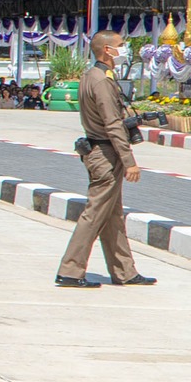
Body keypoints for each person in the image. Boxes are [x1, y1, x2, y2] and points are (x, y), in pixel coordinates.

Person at [57, 31, 158, 290]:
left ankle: (124, 271)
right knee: (94, 214)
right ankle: (70, 270)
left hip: (100, 151)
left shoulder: (92, 76)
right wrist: (130, 160)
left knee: (113, 215)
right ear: (106, 51)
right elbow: (113, 125)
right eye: (121, 46)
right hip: (105, 153)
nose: (124, 50)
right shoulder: (101, 81)